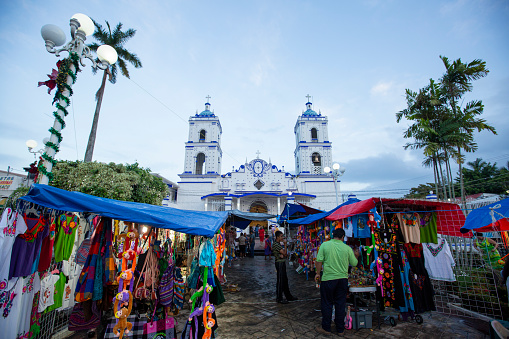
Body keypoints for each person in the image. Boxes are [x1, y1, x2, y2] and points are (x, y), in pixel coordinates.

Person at [315, 228, 360, 336]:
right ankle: (340, 329)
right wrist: (356, 255)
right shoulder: (347, 248)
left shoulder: (324, 245)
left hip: (328, 279)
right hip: (342, 280)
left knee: (327, 303)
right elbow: (354, 263)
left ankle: (326, 328)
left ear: (332, 235)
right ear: (343, 237)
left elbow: (319, 260)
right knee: (340, 304)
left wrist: (317, 273)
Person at [272, 230, 297, 304]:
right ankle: (279, 298)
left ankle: (288, 296)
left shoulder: (278, 244)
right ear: (277, 237)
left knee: (285, 280)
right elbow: (285, 253)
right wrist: (285, 245)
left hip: (282, 263)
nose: (282, 238)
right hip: (279, 263)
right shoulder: (276, 244)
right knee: (280, 281)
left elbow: (283, 254)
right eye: (281, 236)